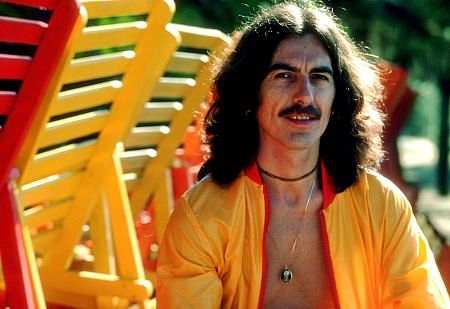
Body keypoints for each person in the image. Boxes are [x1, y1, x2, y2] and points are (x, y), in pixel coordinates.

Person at [156, 1, 450, 307]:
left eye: (320, 77)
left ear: (338, 101)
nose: (305, 95)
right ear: (249, 94)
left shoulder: (382, 206)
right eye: (284, 75)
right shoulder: (202, 217)